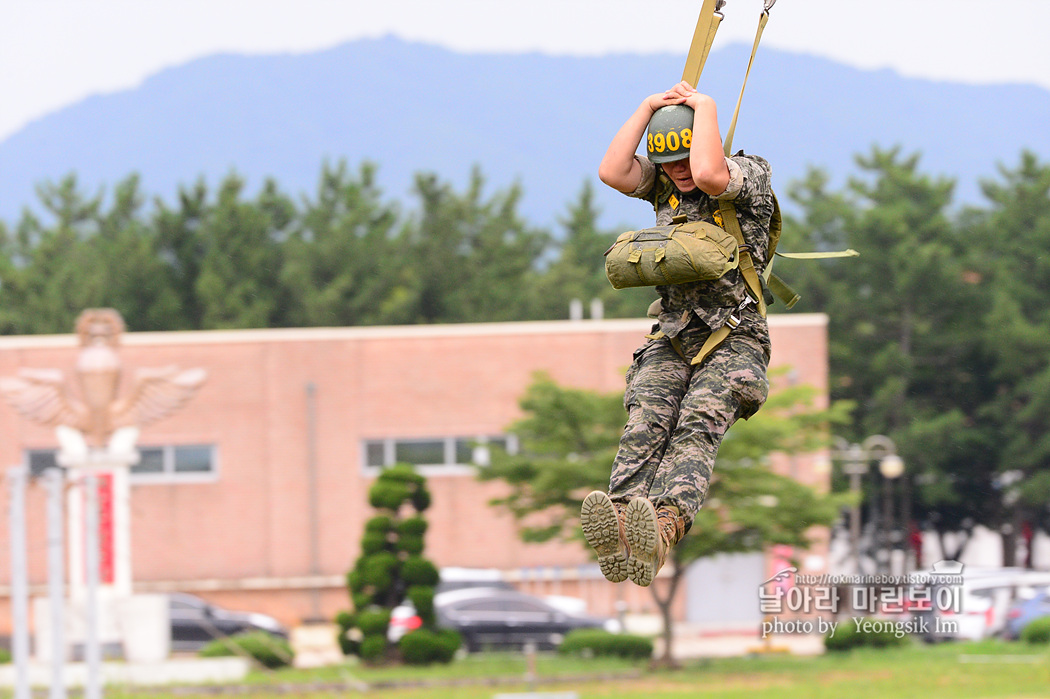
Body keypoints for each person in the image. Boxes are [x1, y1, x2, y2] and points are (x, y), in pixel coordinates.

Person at [581, 81, 775, 587]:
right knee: (645, 416)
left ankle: (665, 524)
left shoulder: (747, 176)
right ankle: (623, 523)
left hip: (735, 337)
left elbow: (711, 173)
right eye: (666, 165)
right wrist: (647, 107)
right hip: (673, 333)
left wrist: (703, 105)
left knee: (695, 423)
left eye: (681, 159)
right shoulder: (667, 186)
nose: (676, 173)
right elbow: (612, 171)